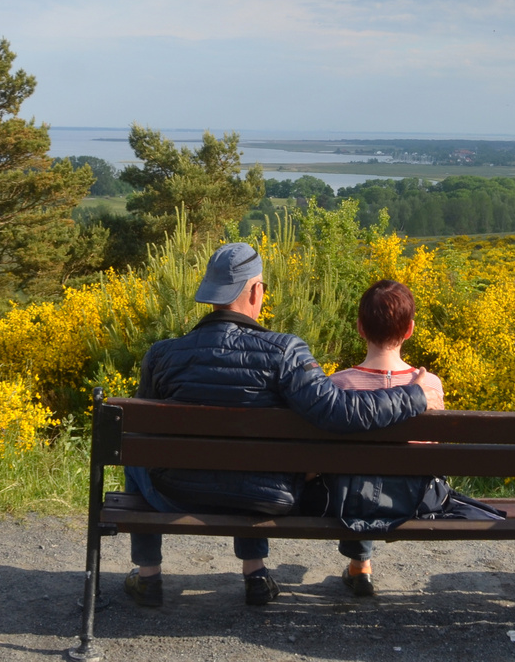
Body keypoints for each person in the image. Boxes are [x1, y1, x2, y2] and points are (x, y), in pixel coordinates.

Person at [124, 243, 431, 607]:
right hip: (265, 495)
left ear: (211, 295)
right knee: (247, 467)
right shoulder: (284, 351)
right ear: (257, 291)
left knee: (135, 451)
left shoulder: (162, 354)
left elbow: (145, 432)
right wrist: (414, 396)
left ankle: (148, 577)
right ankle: (254, 574)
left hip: (177, 491)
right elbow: (338, 412)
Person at [325, 279, 445, 596]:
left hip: (354, 499)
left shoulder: (337, 385)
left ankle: (360, 566)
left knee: (352, 474)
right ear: (409, 330)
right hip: (416, 498)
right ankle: (359, 566)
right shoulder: (430, 385)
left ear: (360, 328)